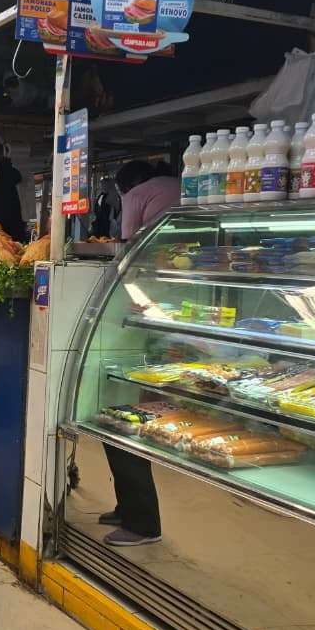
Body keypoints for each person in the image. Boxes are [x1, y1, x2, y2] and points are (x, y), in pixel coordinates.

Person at [101, 159, 179, 547]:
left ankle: (142, 523)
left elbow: (127, 246)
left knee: (126, 422)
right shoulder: (180, 186)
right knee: (116, 419)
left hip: (148, 315)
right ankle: (126, 506)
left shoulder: (135, 195)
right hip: (169, 308)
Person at [118, 160, 179, 243]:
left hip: (161, 245)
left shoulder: (135, 194)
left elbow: (130, 238)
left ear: (136, 179)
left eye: (123, 188)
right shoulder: (179, 182)